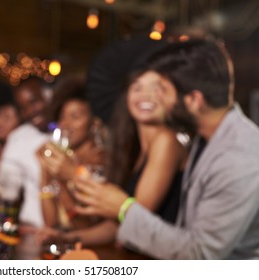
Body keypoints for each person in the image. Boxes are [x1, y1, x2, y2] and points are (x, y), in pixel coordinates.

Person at [74, 39, 259, 259]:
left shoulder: (239, 156)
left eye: (161, 90)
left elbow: (200, 255)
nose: (154, 98)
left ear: (193, 100)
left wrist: (124, 208)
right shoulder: (206, 138)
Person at [39, 70, 189, 245]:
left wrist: (73, 174)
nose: (145, 95)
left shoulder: (166, 140)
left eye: (155, 88)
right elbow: (117, 225)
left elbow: (137, 218)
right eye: (137, 87)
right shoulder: (134, 149)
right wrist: (66, 239)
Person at [36, 78, 106, 230]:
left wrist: (62, 180)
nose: (66, 124)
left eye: (75, 117)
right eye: (62, 117)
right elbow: (51, 224)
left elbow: (88, 226)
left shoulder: (101, 161)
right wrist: (44, 172)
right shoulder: (65, 157)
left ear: (94, 122)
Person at [0, 77, 50, 228]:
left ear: (49, 94)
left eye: (34, 101)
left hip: (70, 231)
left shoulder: (69, 131)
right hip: (31, 228)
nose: (31, 111)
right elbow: (5, 194)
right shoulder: (19, 139)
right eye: (23, 108)